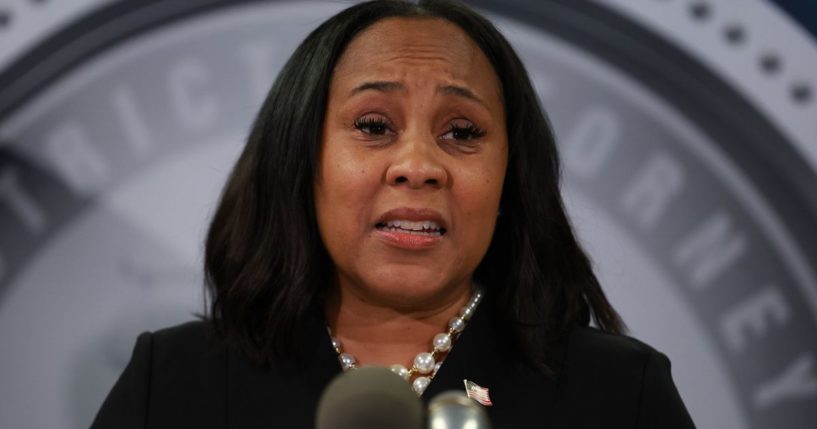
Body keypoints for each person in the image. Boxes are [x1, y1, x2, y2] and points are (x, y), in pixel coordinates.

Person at [91, 0, 695, 427]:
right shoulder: (173, 381)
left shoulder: (620, 393)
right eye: (374, 126)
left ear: (510, 177)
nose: (418, 164)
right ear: (301, 161)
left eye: (462, 132)